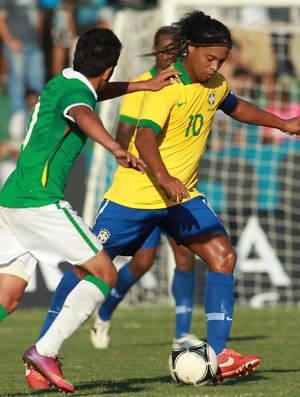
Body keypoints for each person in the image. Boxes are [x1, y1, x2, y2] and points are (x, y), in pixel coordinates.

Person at [24, 9, 300, 388]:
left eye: (221, 60)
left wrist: (282, 123)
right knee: (88, 270)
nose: (215, 66)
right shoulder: (164, 86)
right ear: (190, 51)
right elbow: (144, 138)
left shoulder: (215, 85)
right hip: (135, 197)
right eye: (210, 59)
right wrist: (164, 175)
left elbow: (236, 107)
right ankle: (43, 355)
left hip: (181, 197)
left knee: (224, 257)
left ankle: (217, 354)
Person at [0, 27, 179, 393]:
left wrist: (144, 86)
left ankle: (41, 362)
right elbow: (84, 112)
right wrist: (115, 147)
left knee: (7, 298)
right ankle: (44, 352)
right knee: (103, 273)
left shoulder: (61, 81)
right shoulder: (78, 96)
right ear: (109, 68)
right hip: (40, 201)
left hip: (11, 199)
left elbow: (92, 94)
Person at [89, 25, 196, 350]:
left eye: (173, 51)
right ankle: (104, 312)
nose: (168, 56)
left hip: (177, 186)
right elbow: (123, 137)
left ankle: (182, 336)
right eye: (162, 50)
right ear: (154, 50)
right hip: (144, 187)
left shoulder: (187, 84)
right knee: (143, 262)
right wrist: (153, 159)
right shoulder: (145, 86)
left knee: (185, 256)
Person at [0, 0, 45, 142]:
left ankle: (38, 119)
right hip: (16, 44)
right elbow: (0, 18)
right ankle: (18, 124)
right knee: (17, 82)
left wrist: (38, 39)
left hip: (34, 44)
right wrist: (10, 41)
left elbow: (40, 16)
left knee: (37, 81)